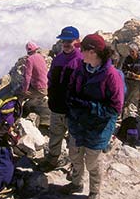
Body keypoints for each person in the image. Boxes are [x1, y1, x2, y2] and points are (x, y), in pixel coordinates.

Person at [63, 34, 124, 199]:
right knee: (75, 155)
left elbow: (115, 108)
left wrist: (89, 106)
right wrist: (71, 104)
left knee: (92, 161)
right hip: (78, 123)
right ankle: (76, 183)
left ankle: (94, 192)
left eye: (82, 50)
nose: (80, 53)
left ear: (93, 52)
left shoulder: (111, 75)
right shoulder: (81, 69)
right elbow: (71, 90)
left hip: (98, 127)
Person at [40, 26, 82, 171]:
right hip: (57, 106)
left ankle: (74, 166)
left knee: (74, 141)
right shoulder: (58, 58)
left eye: (69, 40)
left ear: (77, 41)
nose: (66, 43)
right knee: (55, 136)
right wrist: (51, 96)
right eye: (63, 40)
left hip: (72, 110)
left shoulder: (81, 60)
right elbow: (50, 78)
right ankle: (52, 160)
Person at [122, 43, 140, 116]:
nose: (131, 53)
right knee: (127, 97)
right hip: (129, 81)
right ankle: (122, 113)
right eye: (130, 51)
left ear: (136, 51)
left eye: (133, 51)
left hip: (139, 79)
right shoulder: (127, 60)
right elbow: (123, 70)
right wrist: (130, 74)